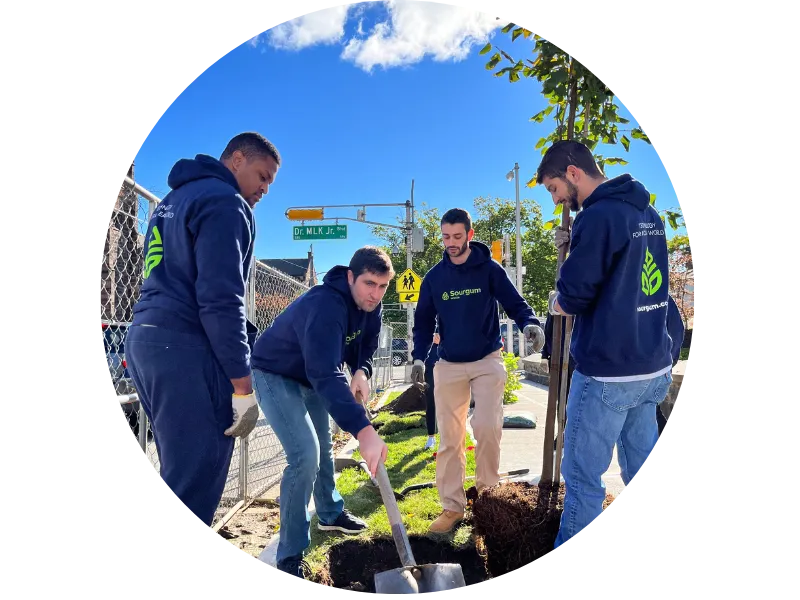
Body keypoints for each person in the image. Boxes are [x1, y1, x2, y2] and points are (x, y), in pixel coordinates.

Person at [124, 132, 281, 528]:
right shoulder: (227, 204)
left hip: (146, 337)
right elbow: (221, 300)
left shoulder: (173, 201)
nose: (264, 188)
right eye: (262, 176)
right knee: (196, 482)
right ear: (237, 159)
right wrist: (243, 387)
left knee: (178, 474)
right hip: (187, 347)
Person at [536, 140, 675, 551]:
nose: (557, 199)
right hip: (652, 367)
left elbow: (575, 295)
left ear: (574, 172)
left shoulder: (597, 216)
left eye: (554, 189)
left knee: (582, 481)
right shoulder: (647, 213)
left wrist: (556, 299)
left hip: (608, 374)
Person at [249, 246, 393, 581]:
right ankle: (290, 554)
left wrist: (363, 371)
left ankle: (330, 513)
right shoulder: (325, 304)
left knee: (323, 449)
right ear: (350, 277)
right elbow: (326, 374)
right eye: (369, 284)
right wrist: (364, 431)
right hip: (275, 372)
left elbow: (368, 343)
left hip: (311, 375)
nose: (375, 294)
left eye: (383, 286)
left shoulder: (373, 304)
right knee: (304, 455)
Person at [410, 208, 545, 533]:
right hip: (450, 364)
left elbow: (515, 303)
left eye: (457, 237)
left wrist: (530, 324)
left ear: (469, 235)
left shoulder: (489, 270)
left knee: (486, 427)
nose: (451, 243)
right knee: (450, 438)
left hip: (487, 360)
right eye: (446, 237)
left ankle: (486, 498)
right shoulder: (434, 278)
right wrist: (418, 357)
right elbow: (423, 320)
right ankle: (452, 507)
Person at [423, 327, 441, 450]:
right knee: (431, 400)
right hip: (431, 364)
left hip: (451, 363)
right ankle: (431, 436)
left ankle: (451, 436)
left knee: (452, 402)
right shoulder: (429, 315)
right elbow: (420, 334)